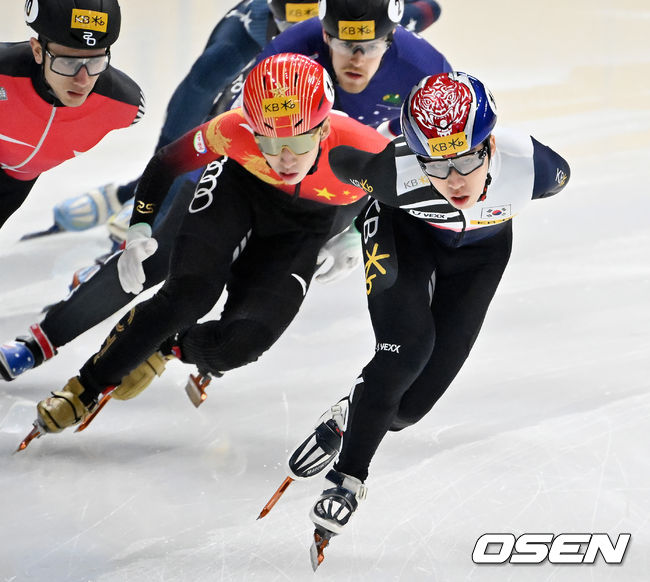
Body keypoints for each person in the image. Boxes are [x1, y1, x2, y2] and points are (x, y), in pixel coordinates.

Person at [0, 0, 451, 383]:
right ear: (323, 34)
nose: (355, 60)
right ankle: (43, 339)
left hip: (326, 183)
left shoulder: (423, 67)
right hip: (257, 164)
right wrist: (153, 203)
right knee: (163, 256)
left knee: (267, 279)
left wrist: (360, 228)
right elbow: (215, 122)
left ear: (391, 39)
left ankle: (189, 341)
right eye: (339, 42)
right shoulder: (290, 49)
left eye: (370, 47)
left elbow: (423, 162)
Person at [281, 71, 571, 556]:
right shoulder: (394, 174)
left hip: (480, 256)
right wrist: (353, 231)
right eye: (435, 165)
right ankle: (346, 481)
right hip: (404, 237)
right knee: (406, 349)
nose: (453, 180)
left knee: (407, 411)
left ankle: (351, 412)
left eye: (465, 159)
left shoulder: (537, 168)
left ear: (491, 146)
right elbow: (340, 159)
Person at [27, 52, 393, 435]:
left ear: (321, 131)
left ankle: (170, 345)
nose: (284, 159)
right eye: (268, 140)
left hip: (303, 226)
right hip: (238, 190)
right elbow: (167, 163)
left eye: (299, 143)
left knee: (243, 344)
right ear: (252, 129)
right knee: (188, 296)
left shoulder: (363, 148)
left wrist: (355, 234)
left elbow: (417, 198)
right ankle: (86, 386)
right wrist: (139, 230)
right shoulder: (232, 129)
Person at [48, 0, 442, 234]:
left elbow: (427, 11)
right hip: (278, 41)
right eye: (289, 17)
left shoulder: (382, 31)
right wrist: (158, 193)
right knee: (215, 95)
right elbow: (217, 122)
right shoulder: (276, 31)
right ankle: (139, 188)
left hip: (341, 45)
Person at [0, 0, 144, 232]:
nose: (82, 80)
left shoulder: (126, 105)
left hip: (14, 186)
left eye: (95, 61)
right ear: (37, 51)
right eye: (68, 62)